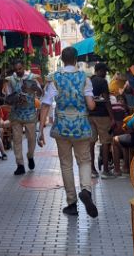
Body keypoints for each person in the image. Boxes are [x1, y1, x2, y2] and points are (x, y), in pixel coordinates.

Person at [39, 46, 97, 218]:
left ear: (62, 60)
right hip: (81, 126)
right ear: (76, 59)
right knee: (85, 161)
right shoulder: (85, 78)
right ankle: (86, 190)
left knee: (66, 164)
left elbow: (46, 105)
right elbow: (91, 105)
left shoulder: (54, 79)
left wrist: (40, 130)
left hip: (62, 127)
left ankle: (71, 203)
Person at [3, 59, 42, 176]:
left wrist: (36, 88)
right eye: (16, 70)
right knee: (17, 139)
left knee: (31, 138)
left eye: (20, 69)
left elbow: (40, 93)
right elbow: (8, 97)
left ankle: (30, 155)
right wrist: (13, 97)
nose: (18, 71)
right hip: (16, 113)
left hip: (30, 112)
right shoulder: (11, 80)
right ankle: (20, 164)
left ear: (23, 67)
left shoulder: (32, 77)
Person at [89, 63, 115, 178]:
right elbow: (106, 100)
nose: (106, 73)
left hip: (89, 115)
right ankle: (105, 170)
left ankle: (92, 170)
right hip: (102, 116)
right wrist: (112, 117)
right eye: (105, 71)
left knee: (91, 142)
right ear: (100, 70)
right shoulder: (102, 82)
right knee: (105, 142)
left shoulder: (89, 81)